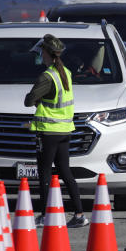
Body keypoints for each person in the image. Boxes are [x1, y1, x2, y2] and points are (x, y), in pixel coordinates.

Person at [24, 34, 89, 228]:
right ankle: (79, 214)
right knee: (65, 172)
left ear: (46, 53)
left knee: (44, 174)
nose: (40, 55)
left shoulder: (47, 76)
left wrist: (35, 99)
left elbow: (29, 101)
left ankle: (45, 215)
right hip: (65, 130)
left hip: (49, 131)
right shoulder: (65, 72)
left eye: (41, 52)